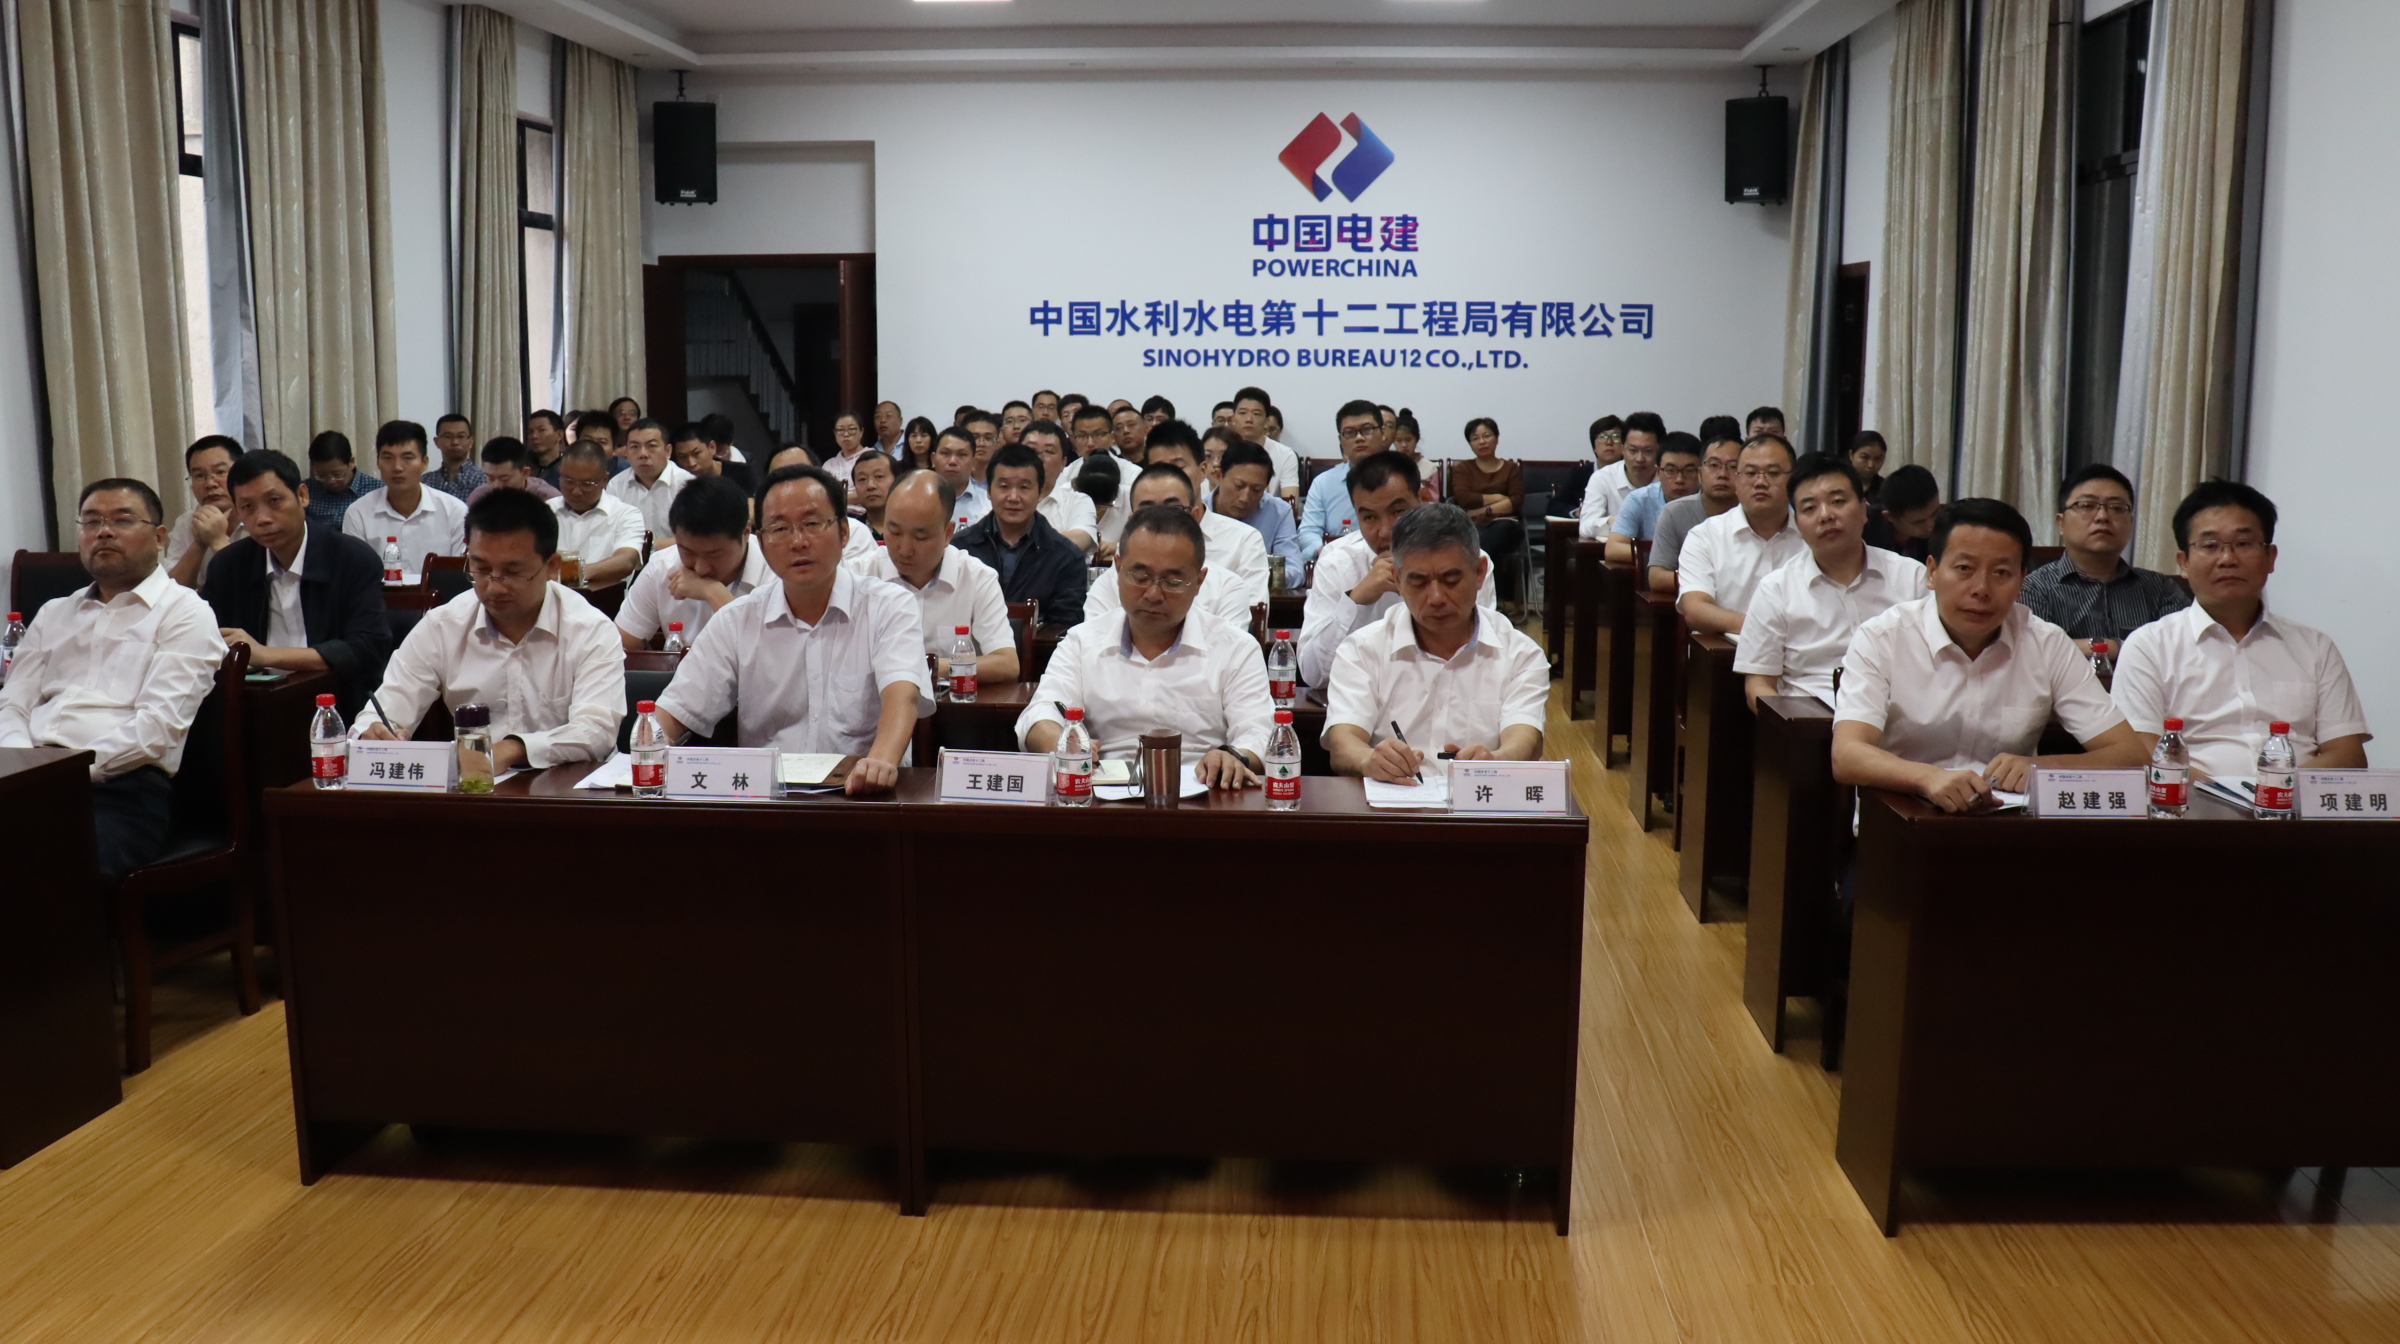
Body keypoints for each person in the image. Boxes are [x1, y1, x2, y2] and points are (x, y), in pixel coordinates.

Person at [1832, 498, 2145, 812]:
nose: (1981, 588)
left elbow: (2131, 755)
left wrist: (2043, 768)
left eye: (2001, 573)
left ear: (2022, 582)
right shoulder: (1883, 637)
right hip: (1902, 823)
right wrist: (1927, 777)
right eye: (1964, 569)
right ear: (1932, 572)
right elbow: (1846, 755)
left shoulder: (2046, 643)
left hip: (2008, 827)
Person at [651, 466, 931, 794]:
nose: (798, 542)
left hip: (862, 798)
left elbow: (903, 697)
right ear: (760, 541)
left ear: (843, 532)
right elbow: (674, 712)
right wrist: (651, 746)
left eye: (812, 524)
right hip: (766, 801)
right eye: (780, 528)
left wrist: (880, 763)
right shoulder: (737, 619)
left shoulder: (888, 606)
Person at [0, 478, 227, 883]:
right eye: (91, 521)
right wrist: (24, 770)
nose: (103, 532)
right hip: (29, 778)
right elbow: (13, 705)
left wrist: (58, 776)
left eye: (122, 520)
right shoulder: (53, 613)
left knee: (45, 870)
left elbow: (156, 729)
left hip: (120, 791)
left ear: (159, 537)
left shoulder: (185, 613)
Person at [2111, 480, 2371, 780]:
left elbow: (2347, 755)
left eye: (2244, 544)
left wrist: (2275, 792)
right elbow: (2143, 754)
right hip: (2191, 806)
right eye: (2210, 546)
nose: (2228, 559)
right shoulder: (2149, 646)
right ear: (2184, 562)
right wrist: (2229, 797)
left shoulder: (2315, 647)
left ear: (2270, 558)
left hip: (2295, 806)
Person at [354, 489, 623, 771]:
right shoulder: (443, 626)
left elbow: (597, 731)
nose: (494, 587)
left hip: (568, 788)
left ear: (552, 566)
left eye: (513, 572)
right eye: (481, 569)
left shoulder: (590, 629)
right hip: (474, 786)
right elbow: (385, 710)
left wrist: (511, 750)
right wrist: (372, 733)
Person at [1016, 506, 1273, 789]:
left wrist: (1232, 757)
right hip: (1099, 791)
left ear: (1199, 582)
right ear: (1117, 569)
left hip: (1206, 792)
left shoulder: (1235, 648)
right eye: (1140, 578)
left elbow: (1259, 732)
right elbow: (1041, 713)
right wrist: (1061, 743)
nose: (1153, 594)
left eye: (1173, 582)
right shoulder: (1082, 641)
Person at [1323, 504, 1546, 780]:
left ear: (1479, 573)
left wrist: (1494, 761)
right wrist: (1369, 760)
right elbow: (1343, 743)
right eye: (1419, 582)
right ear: (1397, 579)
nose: (1436, 597)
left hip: (1480, 801)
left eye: (1451, 580)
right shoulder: (1362, 649)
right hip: (1392, 802)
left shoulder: (1520, 653)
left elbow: (1525, 740)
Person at [206, 450, 393, 716]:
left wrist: (265, 654)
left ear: (302, 496)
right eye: (248, 507)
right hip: (255, 707)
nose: (262, 518)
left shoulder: (352, 558)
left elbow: (367, 649)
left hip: (340, 704)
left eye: (274, 501)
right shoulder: (228, 566)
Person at [1733, 454, 1926, 710]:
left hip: (1902, 719)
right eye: (1810, 508)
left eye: (1837, 501)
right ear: (1798, 524)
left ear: (1864, 509)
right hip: (1811, 722)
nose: (1825, 515)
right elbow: (1758, 684)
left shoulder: (1912, 578)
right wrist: (1784, 726)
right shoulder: (1776, 590)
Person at [1299, 451, 1498, 687]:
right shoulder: (1337, 562)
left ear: (1424, 499)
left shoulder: (1466, 561)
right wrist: (1356, 601)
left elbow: (1482, 659)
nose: (1385, 532)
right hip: (1363, 699)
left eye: (1397, 512)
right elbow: (1314, 675)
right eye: (1369, 518)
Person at [850, 471, 1019, 684]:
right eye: (894, 532)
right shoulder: (860, 574)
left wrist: (930, 667)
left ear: (948, 533)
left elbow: (1006, 663)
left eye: (920, 536)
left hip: (951, 703)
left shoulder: (977, 578)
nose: (904, 549)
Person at [2017, 464, 2191, 653]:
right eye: (2086, 506)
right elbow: (2035, 652)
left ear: (2131, 524)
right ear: (2061, 523)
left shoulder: (2160, 589)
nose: (2102, 516)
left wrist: (2101, 647)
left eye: (2117, 508)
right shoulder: (2034, 588)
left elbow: (2183, 649)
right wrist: (2110, 647)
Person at [1081, 462, 1259, 631]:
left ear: (1195, 517)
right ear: (1131, 521)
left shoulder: (1227, 588)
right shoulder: (1108, 584)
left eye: (1173, 509)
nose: (1161, 520)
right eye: (1147, 511)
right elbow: (1092, 645)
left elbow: (1228, 650)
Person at [616, 476, 772, 652]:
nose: (700, 568)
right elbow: (621, 646)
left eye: (714, 554)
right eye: (687, 552)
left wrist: (713, 592)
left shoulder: (776, 570)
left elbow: (770, 655)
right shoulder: (662, 567)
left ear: (746, 532)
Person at [1677, 433, 1806, 636]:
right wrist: (1768, 631)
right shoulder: (1705, 537)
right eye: (1750, 473)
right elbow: (1696, 610)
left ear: (1794, 480)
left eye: (1773, 473)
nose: (1760, 482)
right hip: (1726, 650)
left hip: (1804, 650)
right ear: (1737, 480)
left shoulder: (1813, 535)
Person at [952, 442, 1089, 628]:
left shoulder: (1066, 557)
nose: (1014, 497)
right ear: (989, 491)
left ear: (1040, 492)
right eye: (1004, 486)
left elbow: (1064, 628)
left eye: (1024, 487)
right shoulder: (960, 548)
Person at [1141, 422, 1270, 609]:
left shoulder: (1244, 540)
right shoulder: (1136, 537)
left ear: (1203, 470)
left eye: (1179, 467)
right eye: (1159, 469)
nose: (1170, 478)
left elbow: (1252, 613)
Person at [342, 420, 467, 581]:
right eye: (388, 458)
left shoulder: (455, 512)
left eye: (407, 458)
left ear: (424, 462)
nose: (397, 467)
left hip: (440, 597)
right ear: (378, 462)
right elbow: (355, 577)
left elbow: (459, 577)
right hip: (378, 597)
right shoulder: (358, 513)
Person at [1647, 432, 1743, 593]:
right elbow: (1657, 577)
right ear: (1700, 473)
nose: (1722, 475)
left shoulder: (1756, 513)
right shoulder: (1674, 513)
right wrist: (1706, 581)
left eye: (1733, 467)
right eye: (1714, 465)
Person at [1447, 417, 1525, 613]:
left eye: (1486, 436)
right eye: (1475, 438)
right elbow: (1463, 498)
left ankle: (1484, 600)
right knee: (1469, 539)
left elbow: (1516, 501)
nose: (1481, 442)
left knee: (1487, 544)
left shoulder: (1511, 468)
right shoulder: (1463, 469)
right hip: (1471, 525)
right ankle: (1489, 600)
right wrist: (1499, 498)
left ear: (1496, 438)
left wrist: (1482, 511)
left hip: (1505, 524)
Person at [1296, 399, 1387, 563]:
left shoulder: (1401, 478)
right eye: (1350, 432)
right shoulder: (1323, 483)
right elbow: (1308, 532)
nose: (1359, 438)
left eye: (1367, 430)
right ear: (1341, 440)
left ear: (1382, 433)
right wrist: (1326, 552)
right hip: (1338, 563)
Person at [547, 441, 645, 589]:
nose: (576, 491)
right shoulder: (546, 510)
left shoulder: (625, 515)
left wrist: (572, 573)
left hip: (602, 600)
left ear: (605, 479)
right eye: (568, 482)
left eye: (587, 484)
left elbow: (626, 560)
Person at [1213, 439, 1303, 590]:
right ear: (1219, 476)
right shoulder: (1198, 511)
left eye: (1256, 490)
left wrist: (1256, 578)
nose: (1245, 498)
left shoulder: (1278, 512)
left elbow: (1295, 571)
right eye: (1239, 486)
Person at [1604, 432, 1701, 564]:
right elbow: (1613, 549)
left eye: (1689, 471)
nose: (1679, 479)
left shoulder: (1713, 501)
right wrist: (1666, 557)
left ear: (1701, 472)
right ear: (1658, 472)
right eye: (1670, 471)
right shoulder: (1639, 500)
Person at [166, 435, 247, 590]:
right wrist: (199, 543)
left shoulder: (258, 520)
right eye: (199, 476)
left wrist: (218, 541)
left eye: (220, 472)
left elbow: (257, 591)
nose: (210, 483)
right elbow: (172, 592)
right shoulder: (186, 523)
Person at [1577, 410, 1661, 540]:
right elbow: (1585, 526)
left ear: (1660, 451)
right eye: (1632, 450)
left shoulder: (1669, 479)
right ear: (1623, 448)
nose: (1639, 459)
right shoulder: (1603, 478)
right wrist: (1610, 522)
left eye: (1648, 451)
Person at [605, 418, 693, 540]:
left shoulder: (687, 484)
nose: (643, 454)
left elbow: (695, 537)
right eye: (634, 447)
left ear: (668, 451)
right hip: (628, 552)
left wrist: (649, 547)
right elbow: (610, 533)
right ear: (626, 453)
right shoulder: (616, 485)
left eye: (651, 446)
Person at [1023, 420, 1097, 551]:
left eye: (1049, 451)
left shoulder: (1077, 501)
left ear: (1063, 463)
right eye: (1031, 450)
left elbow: (1079, 540)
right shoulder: (999, 498)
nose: (1039, 458)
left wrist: (1020, 547)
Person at [1228, 386, 1301, 499]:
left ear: (1266, 421)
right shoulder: (1221, 450)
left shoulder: (1286, 455)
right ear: (1233, 419)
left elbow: (1291, 500)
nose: (1249, 419)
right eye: (1243, 413)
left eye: (1256, 414)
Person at [304, 431, 383, 532]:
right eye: (321, 476)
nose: (330, 481)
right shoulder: (306, 490)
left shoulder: (377, 491)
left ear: (351, 463)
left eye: (337, 474)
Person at [1863, 464, 1941, 561]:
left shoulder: (1944, 527)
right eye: (1919, 522)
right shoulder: (1863, 531)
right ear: (1890, 517)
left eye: (1935, 514)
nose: (1931, 526)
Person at [466, 438, 561, 505]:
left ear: (525, 473)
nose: (496, 486)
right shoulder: (479, 498)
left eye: (504, 479)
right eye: (491, 478)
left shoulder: (548, 499)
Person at [928, 424, 990, 527]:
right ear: (933, 459)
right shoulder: (916, 499)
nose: (952, 461)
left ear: (973, 462)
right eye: (945, 453)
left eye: (962, 455)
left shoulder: (988, 504)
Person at [1077, 452, 1127, 561]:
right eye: (1091, 504)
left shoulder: (1131, 497)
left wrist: (1118, 546)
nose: (1095, 510)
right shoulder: (1064, 496)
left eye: (1102, 505)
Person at [426, 414, 486, 501]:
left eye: (461, 436)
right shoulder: (426, 482)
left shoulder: (483, 479)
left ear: (471, 442)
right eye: (448, 436)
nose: (455, 442)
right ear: (436, 441)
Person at [849, 450, 896, 542]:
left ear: (897, 481)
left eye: (879, 476)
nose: (870, 485)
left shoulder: (914, 525)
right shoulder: (851, 532)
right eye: (862, 479)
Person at [526, 409, 571, 486]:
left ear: (559, 435)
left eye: (541, 430)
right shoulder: (523, 469)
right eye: (530, 432)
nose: (534, 436)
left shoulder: (568, 470)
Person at [963, 410, 1005, 483]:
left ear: (998, 443)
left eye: (988, 438)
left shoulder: (1005, 480)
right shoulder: (954, 479)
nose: (981, 443)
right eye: (975, 437)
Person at [1847, 430, 1888, 506]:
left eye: (1878, 459)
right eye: (1864, 457)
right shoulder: (1837, 484)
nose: (1871, 465)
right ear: (1851, 455)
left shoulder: (1887, 489)